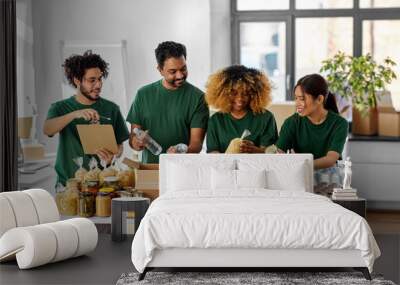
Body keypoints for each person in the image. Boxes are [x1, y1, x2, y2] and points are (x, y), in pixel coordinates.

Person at [44, 50, 130, 186]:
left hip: (102, 184)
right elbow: (48, 130)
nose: (98, 85)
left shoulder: (112, 109)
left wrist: (114, 155)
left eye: (100, 79)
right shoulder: (60, 108)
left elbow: (119, 145)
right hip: (69, 185)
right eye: (92, 80)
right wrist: (74, 114)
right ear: (77, 80)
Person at [127, 41, 209, 163]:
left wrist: (181, 151)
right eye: (173, 71)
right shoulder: (143, 95)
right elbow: (133, 138)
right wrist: (137, 142)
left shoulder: (198, 98)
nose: (180, 75)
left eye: (183, 68)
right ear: (160, 70)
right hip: (151, 171)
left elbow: (196, 144)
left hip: (183, 171)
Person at [276, 73, 348, 170]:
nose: (297, 104)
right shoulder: (291, 122)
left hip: (330, 179)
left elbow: (330, 159)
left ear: (319, 99)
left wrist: (300, 165)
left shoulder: (340, 124)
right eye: (296, 98)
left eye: (301, 99)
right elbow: (279, 151)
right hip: (300, 176)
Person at [205, 65, 278, 153]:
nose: (240, 98)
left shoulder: (265, 117)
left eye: (246, 93)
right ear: (223, 94)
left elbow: (272, 153)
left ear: (254, 94)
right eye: (234, 93)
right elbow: (212, 153)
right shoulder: (216, 120)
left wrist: (254, 150)